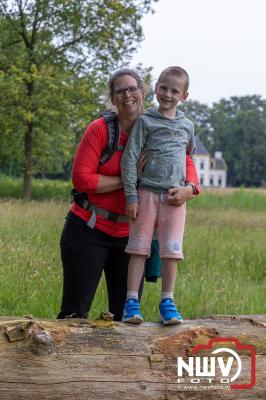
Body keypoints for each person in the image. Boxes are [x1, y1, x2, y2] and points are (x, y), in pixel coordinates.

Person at [57, 68, 199, 321]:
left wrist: (190, 189)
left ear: (143, 92)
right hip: (89, 229)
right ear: (112, 98)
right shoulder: (100, 129)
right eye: (120, 91)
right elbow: (82, 179)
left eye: (132, 89)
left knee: (126, 317)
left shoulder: (159, 125)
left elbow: (185, 160)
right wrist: (130, 179)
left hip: (129, 234)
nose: (127, 95)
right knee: (74, 314)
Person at [121, 66, 195, 325]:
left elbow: (188, 159)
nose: (167, 94)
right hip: (146, 194)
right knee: (138, 249)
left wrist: (189, 188)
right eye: (163, 87)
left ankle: (168, 302)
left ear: (184, 96)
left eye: (175, 90)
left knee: (171, 252)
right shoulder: (145, 121)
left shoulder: (187, 126)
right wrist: (131, 196)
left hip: (174, 198)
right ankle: (131, 302)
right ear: (155, 88)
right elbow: (129, 159)